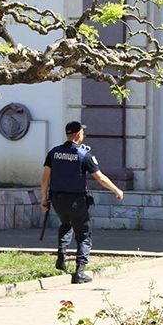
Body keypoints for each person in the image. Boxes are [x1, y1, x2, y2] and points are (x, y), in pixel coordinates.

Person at [40, 121, 124, 284]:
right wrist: (116, 190)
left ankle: (61, 257)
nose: (83, 135)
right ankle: (80, 272)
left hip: (57, 199)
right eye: (83, 133)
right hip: (76, 200)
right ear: (78, 134)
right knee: (84, 234)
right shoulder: (84, 154)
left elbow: (45, 179)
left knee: (65, 225)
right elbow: (100, 177)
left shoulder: (53, 152)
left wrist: (43, 198)